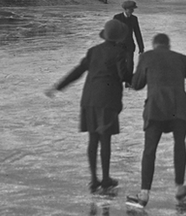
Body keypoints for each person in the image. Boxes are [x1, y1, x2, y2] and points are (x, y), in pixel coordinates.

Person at [126, 34, 186, 208]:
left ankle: (144, 194)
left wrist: (128, 77)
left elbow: (138, 83)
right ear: (168, 45)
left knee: (149, 150)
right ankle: (179, 187)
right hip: (178, 108)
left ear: (155, 44)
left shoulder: (147, 57)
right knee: (180, 144)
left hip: (155, 108)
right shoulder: (181, 59)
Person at [46, 20, 132, 194]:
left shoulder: (93, 51)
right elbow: (124, 75)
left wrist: (58, 86)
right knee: (105, 139)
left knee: (93, 139)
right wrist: (132, 78)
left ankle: (94, 179)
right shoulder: (120, 52)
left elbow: (77, 71)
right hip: (108, 100)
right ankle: (106, 178)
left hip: (89, 99)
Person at [113, 0, 144, 77]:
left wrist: (141, 47)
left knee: (130, 64)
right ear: (126, 9)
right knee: (120, 63)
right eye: (131, 9)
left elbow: (137, 33)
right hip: (119, 45)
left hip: (129, 45)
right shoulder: (117, 18)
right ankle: (120, 78)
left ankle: (128, 81)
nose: (132, 11)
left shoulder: (134, 19)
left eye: (133, 9)